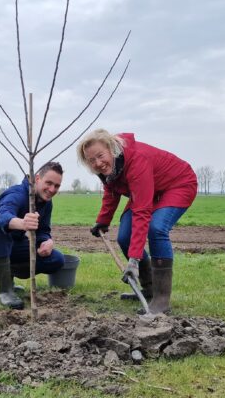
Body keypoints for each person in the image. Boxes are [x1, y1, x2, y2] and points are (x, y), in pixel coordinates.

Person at [77, 129, 196, 314]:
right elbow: (111, 192)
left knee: (156, 229)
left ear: (111, 148)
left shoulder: (136, 160)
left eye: (100, 156)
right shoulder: (111, 168)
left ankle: (162, 300)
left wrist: (134, 260)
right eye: (91, 160)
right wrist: (103, 220)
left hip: (177, 184)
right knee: (124, 237)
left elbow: (142, 212)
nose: (98, 163)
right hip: (151, 188)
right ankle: (149, 289)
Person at [0, 162, 66, 310]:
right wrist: (22, 223)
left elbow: (43, 230)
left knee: (56, 259)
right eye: (49, 183)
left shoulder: (46, 203)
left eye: (57, 186)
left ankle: (4, 276)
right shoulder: (18, 194)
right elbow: (2, 216)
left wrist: (47, 241)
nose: (52, 189)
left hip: (12, 245)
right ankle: (5, 291)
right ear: (37, 178)